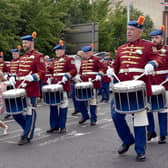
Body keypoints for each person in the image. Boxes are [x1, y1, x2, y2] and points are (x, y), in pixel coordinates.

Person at [107, 16, 163, 161]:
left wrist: (152, 64)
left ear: (139, 31)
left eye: (132, 30)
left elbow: (158, 59)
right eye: (128, 30)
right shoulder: (121, 49)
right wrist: (111, 70)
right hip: (122, 90)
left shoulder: (148, 46)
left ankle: (140, 150)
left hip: (139, 89)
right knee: (116, 115)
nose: (129, 32)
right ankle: (127, 140)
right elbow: (116, 66)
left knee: (139, 119)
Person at [9, 32, 45, 145]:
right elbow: (19, 71)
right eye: (23, 42)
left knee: (30, 111)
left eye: (26, 42)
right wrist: (13, 77)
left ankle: (26, 135)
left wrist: (34, 77)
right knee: (15, 112)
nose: (24, 44)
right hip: (20, 88)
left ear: (31, 42)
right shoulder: (22, 57)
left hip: (31, 89)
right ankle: (27, 129)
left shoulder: (38, 56)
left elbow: (42, 73)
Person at [46, 40, 77, 134]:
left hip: (63, 85)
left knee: (63, 106)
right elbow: (52, 71)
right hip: (54, 85)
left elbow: (74, 70)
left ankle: (62, 126)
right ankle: (54, 126)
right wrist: (47, 72)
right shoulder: (54, 60)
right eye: (56, 51)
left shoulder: (68, 59)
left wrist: (67, 76)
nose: (56, 52)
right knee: (53, 106)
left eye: (58, 50)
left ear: (63, 50)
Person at [147, 25, 168, 144]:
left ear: (162, 38)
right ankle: (151, 131)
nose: (154, 40)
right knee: (148, 108)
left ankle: (163, 134)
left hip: (165, 83)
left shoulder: (167, 50)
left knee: (163, 109)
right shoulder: (149, 50)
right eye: (152, 38)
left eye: (156, 37)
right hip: (150, 83)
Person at [78, 44, 106, 126]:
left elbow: (103, 68)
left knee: (92, 101)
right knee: (81, 101)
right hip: (83, 83)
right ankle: (85, 115)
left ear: (91, 52)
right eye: (85, 53)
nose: (86, 54)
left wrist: (99, 74)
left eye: (87, 52)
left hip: (92, 83)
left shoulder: (97, 59)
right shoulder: (83, 61)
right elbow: (81, 71)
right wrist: (78, 75)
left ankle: (93, 119)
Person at [4, 45, 21, 120]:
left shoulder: (20, 61)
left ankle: (19, 109)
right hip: (11, 81)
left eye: (15, 54)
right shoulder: (11, 61)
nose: (13, 55)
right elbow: (9, 71)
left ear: (18, 54)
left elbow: (20, 71)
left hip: (17, 80)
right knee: (10, 96)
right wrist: (7, 76)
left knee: (17, 96)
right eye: (13, 54)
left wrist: (14, 76)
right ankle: (10, 111)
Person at [71, 50, 85, 116]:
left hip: (81, 80)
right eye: (78, 55)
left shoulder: (84, 61)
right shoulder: (75, 61)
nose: (78, 56)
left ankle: (83, 110)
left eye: (80, 55)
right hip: (74, 80)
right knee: (73, 95)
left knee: (81, 96)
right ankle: (77, 109)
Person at [0, 71, 8, 135]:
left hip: (1, 103)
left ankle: (5, 127)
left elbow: (3, 95)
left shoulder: (3, 84)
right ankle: (5, 127)